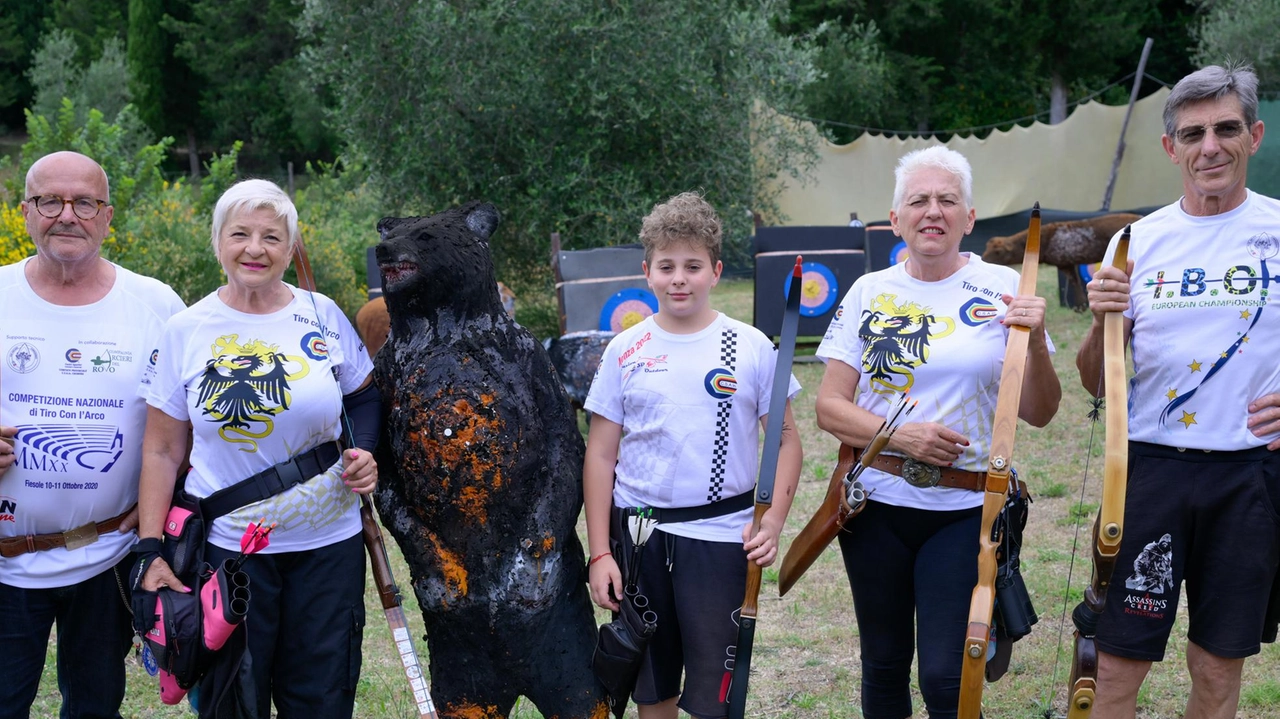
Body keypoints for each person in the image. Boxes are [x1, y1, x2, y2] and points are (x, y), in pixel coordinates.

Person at [813, 145, 1060, 719]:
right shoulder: (869, 291)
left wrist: (1038, 338)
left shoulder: (1004, 286)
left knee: (949, 676)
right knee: (882, 662)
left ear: (969, 218)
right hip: (874, 504)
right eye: (918, 200)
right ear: (895, 218)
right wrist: (901, 436)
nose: (933, 211)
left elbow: (1042, 411)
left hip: (965, 505)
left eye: (947, 200)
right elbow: (829, 407)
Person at [1078, 63, 1280, 719]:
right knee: (1112, 669)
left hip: (1252, 475)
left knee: (1218, 671)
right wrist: (1100, 323)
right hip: (1150, 471)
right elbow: (1093, 379)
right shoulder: (1136, 242)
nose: (1210, 147)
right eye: (1193, 134)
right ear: (1171, 148)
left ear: (1254, 134)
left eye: (1226, 129)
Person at [135, 179, 380, 719]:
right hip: (230, 553)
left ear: (290, 249)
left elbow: (362, 398)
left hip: (328, 546)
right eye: (240, 233)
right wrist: (149, 550)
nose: (255, 248)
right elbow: (160, 451)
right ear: (218, 242)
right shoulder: (186, 329)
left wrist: (364, 451)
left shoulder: (322, 314)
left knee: (320, 696)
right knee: (234, 700)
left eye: (272, 236)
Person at [583, 191, 803, 719]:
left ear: (716, 271)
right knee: (652, 685)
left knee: (715, 692)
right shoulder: (624, 349)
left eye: (692, 266)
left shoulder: (749, 346)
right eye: (666, 266)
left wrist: (772, 521)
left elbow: (788, 440)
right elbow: (599, 455)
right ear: (648, 272)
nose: (678, 278)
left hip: (722, 538)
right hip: (638, 537)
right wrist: (599, 552)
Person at [0, 151, 185, 719]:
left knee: (94, 706)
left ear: (107, 216)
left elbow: (188, 431)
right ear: (26, 212)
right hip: (4, 565)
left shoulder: (156, 306)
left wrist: (160, 513)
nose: (67, 215)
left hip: (105, 555)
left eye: (84, 202)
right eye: (50, 201)